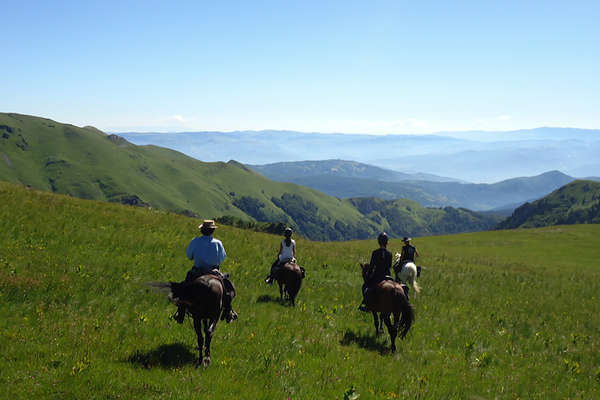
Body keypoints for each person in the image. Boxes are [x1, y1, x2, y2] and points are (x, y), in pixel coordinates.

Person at [173, 219, 238, 324]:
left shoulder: (195, 241)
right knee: (227, 288)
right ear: (212, 231)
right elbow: (222, 258)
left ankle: (180, 312)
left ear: (202, 230)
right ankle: (228, 311)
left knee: (184, 288)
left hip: (197, 271)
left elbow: (189, 256)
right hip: (214, 271)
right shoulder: (218, 243)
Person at [358, 232, 393, 312]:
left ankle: (367, 305)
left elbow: (372, 266)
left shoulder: (375, 253)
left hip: (377, 277)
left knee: (365, 287)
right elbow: (389, 266)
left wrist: (369, 276)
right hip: (388, 276)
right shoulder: (390, 254)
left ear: (379, 242)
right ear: (387, 242)